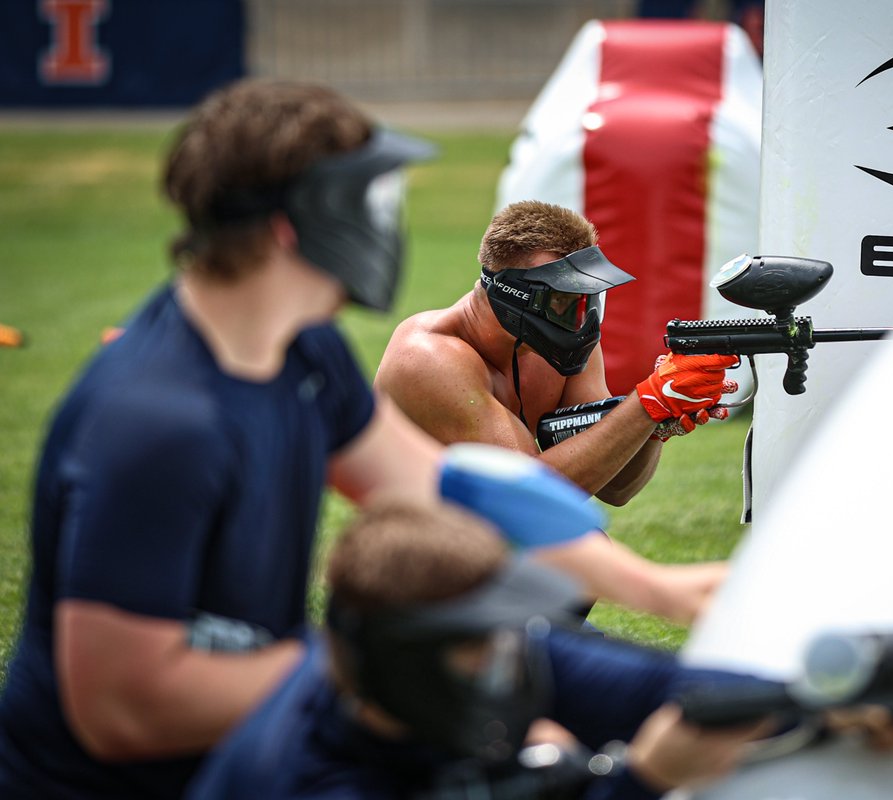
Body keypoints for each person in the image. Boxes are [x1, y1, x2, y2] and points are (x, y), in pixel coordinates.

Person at [0, 78, 453, 797]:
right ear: (291, 225)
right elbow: (122, 710)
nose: (384, 222)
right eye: (366, 200)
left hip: (243, 759)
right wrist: (372, 671)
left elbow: (436, 492)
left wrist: (641, 585)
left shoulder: (307, 351)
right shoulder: (158, 427)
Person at [186, 500, 779, 800]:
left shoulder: (494, 650)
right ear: (403, 662)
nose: (509, 655)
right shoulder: (303, 780)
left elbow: (679, 688)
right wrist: (639, 782)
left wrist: (838, 696)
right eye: (480, 644)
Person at [375, 200, 738, 624]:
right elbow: (526, 496)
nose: (581, 317)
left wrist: (656, 421)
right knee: (568, 545)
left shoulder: (557, 342)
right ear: (514, 293)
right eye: (566, 299)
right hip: (413, 572)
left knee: (582, 542)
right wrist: (647, 403)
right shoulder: (429, 358)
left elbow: (616, 488)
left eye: (587, 298)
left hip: (487, 553)